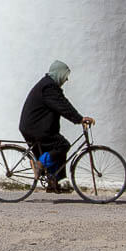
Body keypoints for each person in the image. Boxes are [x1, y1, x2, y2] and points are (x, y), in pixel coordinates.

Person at [18, 60, 95, 193]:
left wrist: (78, 118)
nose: (67, 79)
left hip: (33, 126)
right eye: (65, 76)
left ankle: (55, 182)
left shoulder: (48, 85)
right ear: (59, 73)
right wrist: (79, 119)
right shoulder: (48, 87)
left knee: (58, 149)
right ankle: (38, 165)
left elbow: (63, 103)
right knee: (62, 145)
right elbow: (62, 106)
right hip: (35, 127)